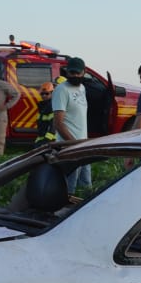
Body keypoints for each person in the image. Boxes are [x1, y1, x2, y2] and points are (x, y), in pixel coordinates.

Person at [52, 57, 91, 192]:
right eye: (71, 73)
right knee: (70, 189)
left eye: (77, 73)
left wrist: (82, 144)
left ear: (83, 72)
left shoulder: (82, 88)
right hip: (70, 147)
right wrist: (73, 144)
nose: (74, 76)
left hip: (83, 145)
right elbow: (58, 123)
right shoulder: (61, 90)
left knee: (86, 187)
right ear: (67, 72)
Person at [33, 81, 57, 146]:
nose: (44, 95)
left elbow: (53, 126)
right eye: (42, 94)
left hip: (51, 141)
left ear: (52, 93)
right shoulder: (43, 106)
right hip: (42, 139)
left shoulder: (53, 106)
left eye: (47, 94)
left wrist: (46, 140)